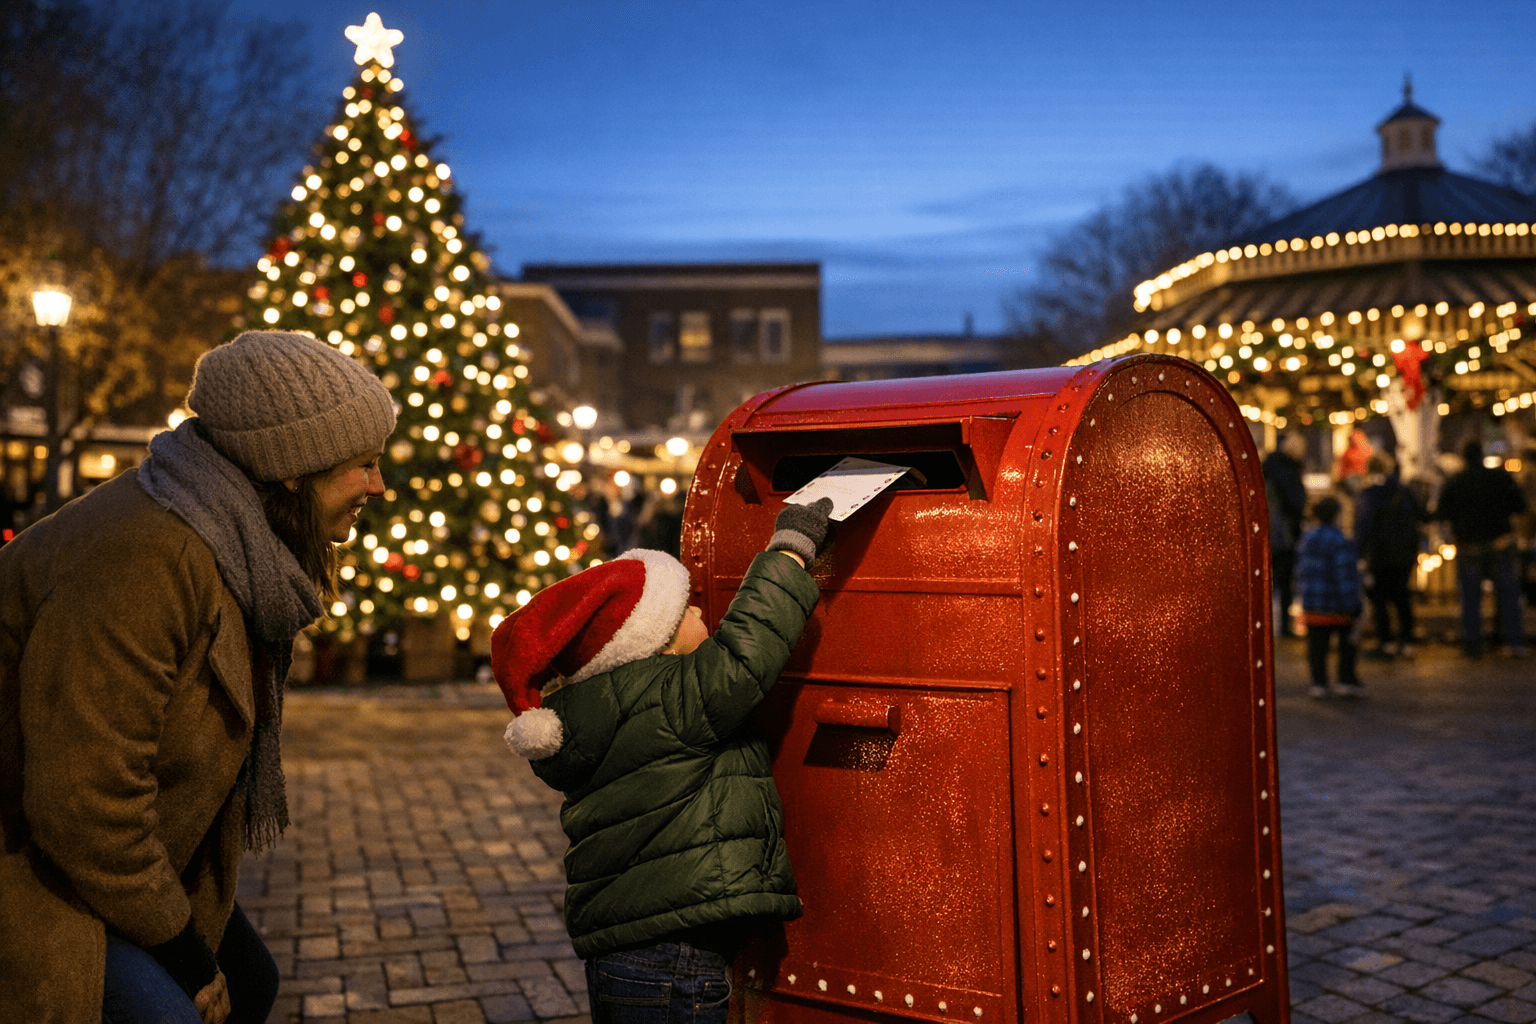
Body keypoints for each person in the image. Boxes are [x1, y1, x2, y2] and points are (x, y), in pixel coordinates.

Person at [0, 330, 396, 1024]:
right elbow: (82, 800)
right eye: (361, 465)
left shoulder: (236, 542)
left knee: (254, 982)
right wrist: (185, 956)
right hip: (33, 862)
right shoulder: (144, 556)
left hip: (107, 851)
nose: (377, 486)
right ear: (293, 466)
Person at [491, 498, 834, 1024]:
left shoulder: (598, 710)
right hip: (671, 955)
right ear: (655, 644)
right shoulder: (668, 697)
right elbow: (746, 652)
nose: (702, 613)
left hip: (627, 948)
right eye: (687, 611)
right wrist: (789, 549)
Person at [1435, 439, 1530, 658]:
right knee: (1507, 596)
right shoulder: (1500, 478)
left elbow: (1441, 513)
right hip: (1501, 542)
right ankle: (1512, 641)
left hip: (1469, 546)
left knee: (1470, 598)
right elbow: (1520, 505)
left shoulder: (1456, 482)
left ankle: (1472, 643)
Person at [1354, 452, 1426, 657]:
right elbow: (1422, 514)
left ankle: (1385, 641)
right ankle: (1406, 641)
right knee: (1402, 596)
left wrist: (1360, 552)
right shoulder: (1405, 490)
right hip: (1404, 553)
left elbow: (1364, 524)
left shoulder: (1369, 493)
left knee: (1380, 599)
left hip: (1379, 553)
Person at [1295, 495, 1365, 699]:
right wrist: (1353, 604)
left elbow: (1300, 571)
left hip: (1313, 603)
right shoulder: (1340, 540)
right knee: (1347, 642)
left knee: (1317, 646)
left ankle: (1319, 682)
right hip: (1336, 604)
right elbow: (1344, 575)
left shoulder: (1306, 539)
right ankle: (1345, 679)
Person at [1264, 432, 1308, 636]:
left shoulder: (1268, 466)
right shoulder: (1289, 470)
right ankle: (1283, 626)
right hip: (1284, 532)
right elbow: (1296, 501)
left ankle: (1265, 622)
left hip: (1267, 530)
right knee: (1285, 580)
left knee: (1267, 579)